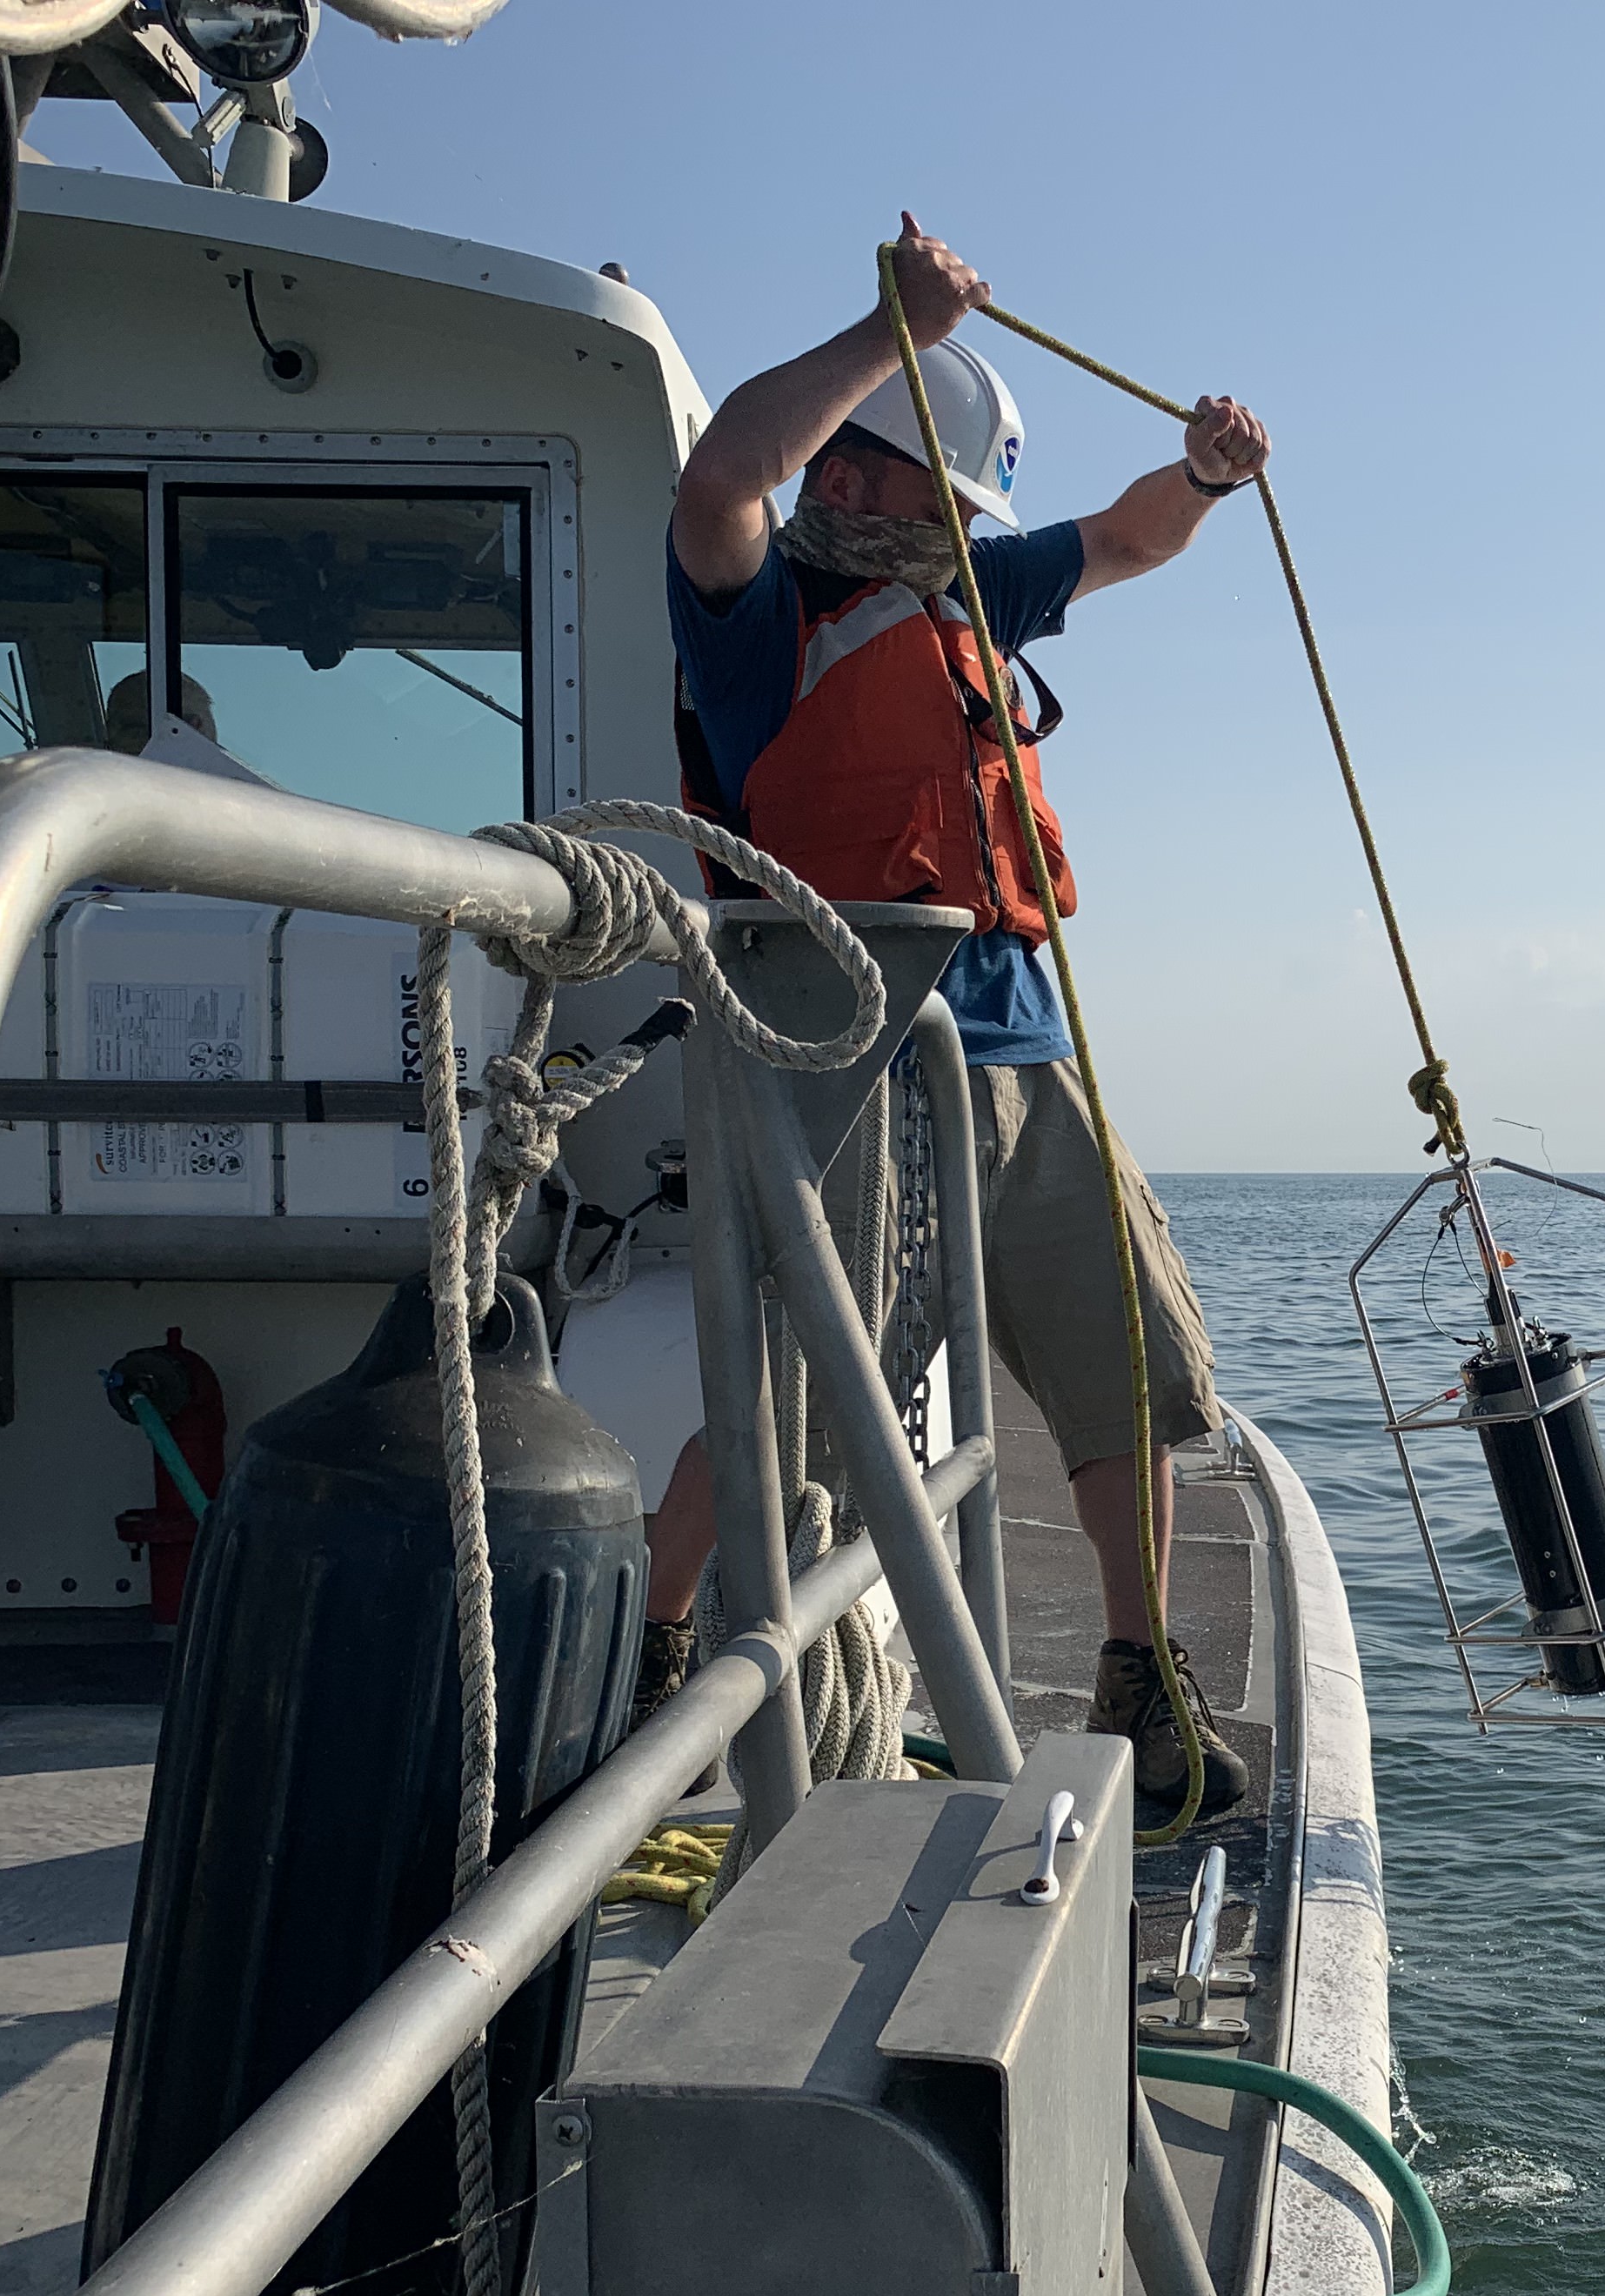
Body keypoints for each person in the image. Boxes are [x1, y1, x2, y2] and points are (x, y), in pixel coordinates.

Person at [644, 213, 1267, 1823]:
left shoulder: (984, 597)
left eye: (885, 464)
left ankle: (1141, 1679)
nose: (846, 482)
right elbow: (720, 486)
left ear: (947, 503)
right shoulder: (754, 618)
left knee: (1133, 1351)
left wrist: (1200, 475)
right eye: (839, 456)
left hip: (1023, 1046)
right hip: (849, 1055)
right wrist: (890, 339)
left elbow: (1130, 540)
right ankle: (637, 1657)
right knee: (784, 1390)